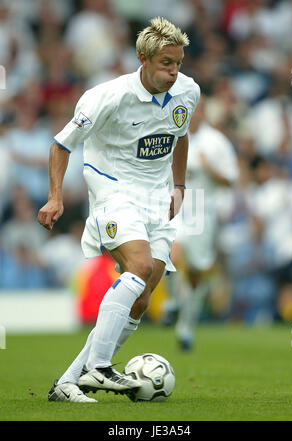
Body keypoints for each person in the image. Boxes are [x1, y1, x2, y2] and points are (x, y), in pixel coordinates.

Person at [38, 17, 200, 403]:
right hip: (113, 192)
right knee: (139, 268)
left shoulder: (188, 92)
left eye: (178, 62)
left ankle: (69, 381)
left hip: (156, 199)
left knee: (141, 298)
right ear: (143, 59)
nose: (174, 71)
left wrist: (179, 187)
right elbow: (61, 144)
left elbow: (180, 136)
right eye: (165, 63)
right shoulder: (106, 96)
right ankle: (100, 368)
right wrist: (55, 196)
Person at [165, 97, 239, 350]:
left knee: (196, 270)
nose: (193, 114)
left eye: (197, 110)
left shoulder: (216, 142)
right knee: (172, 255)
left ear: (203, 112)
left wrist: (211, 168)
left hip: (200, 206)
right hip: (176, 202)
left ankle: (185, 325)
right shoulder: (172, 134)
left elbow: (231, 180)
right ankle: (173, 302)